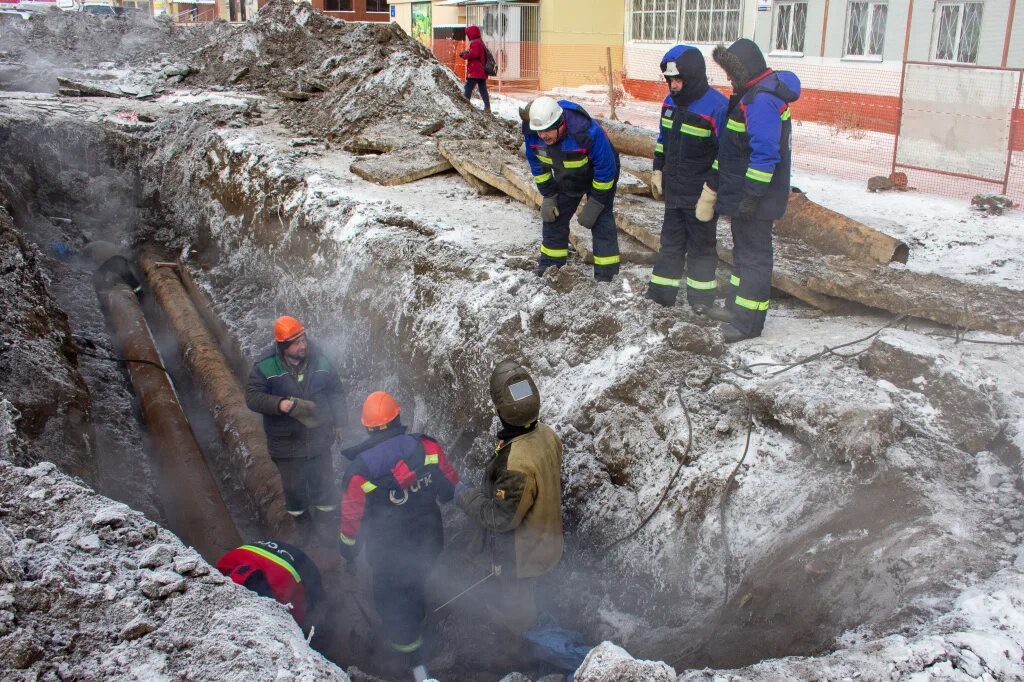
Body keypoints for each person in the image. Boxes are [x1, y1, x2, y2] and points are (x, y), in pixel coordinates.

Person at [338, 391, 461, 671]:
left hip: (388, 553)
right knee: (415, 582)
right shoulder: (427, 447)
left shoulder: (360, 470)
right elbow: (451, 486)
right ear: (398, 417)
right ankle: (418, 622)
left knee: (393, 602)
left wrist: (348, 551)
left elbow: (351, 521)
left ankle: (411, 660)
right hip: (430, 539)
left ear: (367, 426)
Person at [454, 360, 563, 644]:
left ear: (502, 411)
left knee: (517, 609)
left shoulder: (516, 463)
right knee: (529, 596)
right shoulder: (546, 434)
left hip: (521, 556)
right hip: (546, 540)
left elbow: (501, 519)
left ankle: (517, 649)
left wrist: (464, 494)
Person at [701, 39, 801, 342]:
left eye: (732, 73)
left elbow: (765, 154)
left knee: (755, 259)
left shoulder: (760, 101)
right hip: (745, 194)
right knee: (743, 256)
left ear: (744, 71)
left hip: (756, 199)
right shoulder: (751, 96)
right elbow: (734, 150)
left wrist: (751, 196)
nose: (729, 80)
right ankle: (737, 309)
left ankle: (748, 323)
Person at [645, 46, 729, 315]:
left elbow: (727, 154)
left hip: (701, 193)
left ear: (692, 77)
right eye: (670, 80)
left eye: (678, 80)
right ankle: (661, 295)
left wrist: (711, 191)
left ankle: (702, 300)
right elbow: (663, 140)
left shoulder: (717, 107)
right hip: (675, 190)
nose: (673, 85)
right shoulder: (669, 104)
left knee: (702, 248)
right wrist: (658, 169)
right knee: (670, 244)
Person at [245, 315, 348, 526]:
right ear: (283, 346)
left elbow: (336, 392)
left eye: (304, 339)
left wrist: (339, 423)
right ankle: (303, 526)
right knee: (294, 490)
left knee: (323, 485)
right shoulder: (265, 366)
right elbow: (252, 397)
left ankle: (326, 525)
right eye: (297, 342)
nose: (303, 345)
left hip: (319, 438)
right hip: (286, 444)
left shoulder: (320, 359)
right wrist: (279, 404)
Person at [522, 96, 621, 282]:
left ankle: (607, 277)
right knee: (554, 217)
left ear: (560, 123)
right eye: (540, 131)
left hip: (598, 172)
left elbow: (606, 170)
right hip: (567, 173)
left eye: (548, 130)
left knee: (601, 220)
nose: (543, 135)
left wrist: (597, 202)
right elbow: (538, 168)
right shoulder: (532, 135)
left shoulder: (586, 132)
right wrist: (549, 195)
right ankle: (551, 268)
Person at [216, 539, 322, 627]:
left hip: (303, 575)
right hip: (272, 550)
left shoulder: (279, 597)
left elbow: (290, 622)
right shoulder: (222, 568)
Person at [459, 25, 491, 114]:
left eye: (468, 34)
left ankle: (465, 105)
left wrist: (465, 55)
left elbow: (474, 54)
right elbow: (475, 52)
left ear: (471, 34)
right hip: (481, 71)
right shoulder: (479, 41)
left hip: (475, 70)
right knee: (482, 89)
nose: (467, 36)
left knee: (468, 87)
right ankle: (487, 107)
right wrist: (467, 52)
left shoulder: (475, 43)